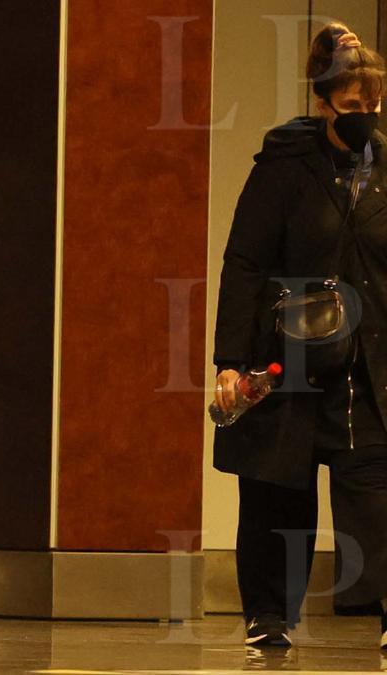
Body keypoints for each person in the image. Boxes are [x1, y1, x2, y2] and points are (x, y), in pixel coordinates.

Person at [213, 23, 387, 648]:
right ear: (323, 103)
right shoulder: (284, 167)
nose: (365, 116)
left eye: (374, 105)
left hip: (368, 361)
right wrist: (230, 361)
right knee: (275, 488)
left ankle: (377, 603)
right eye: (352, 106)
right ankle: (267, 614)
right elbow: (245, 262)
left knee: (373, 485)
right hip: (285, 353)